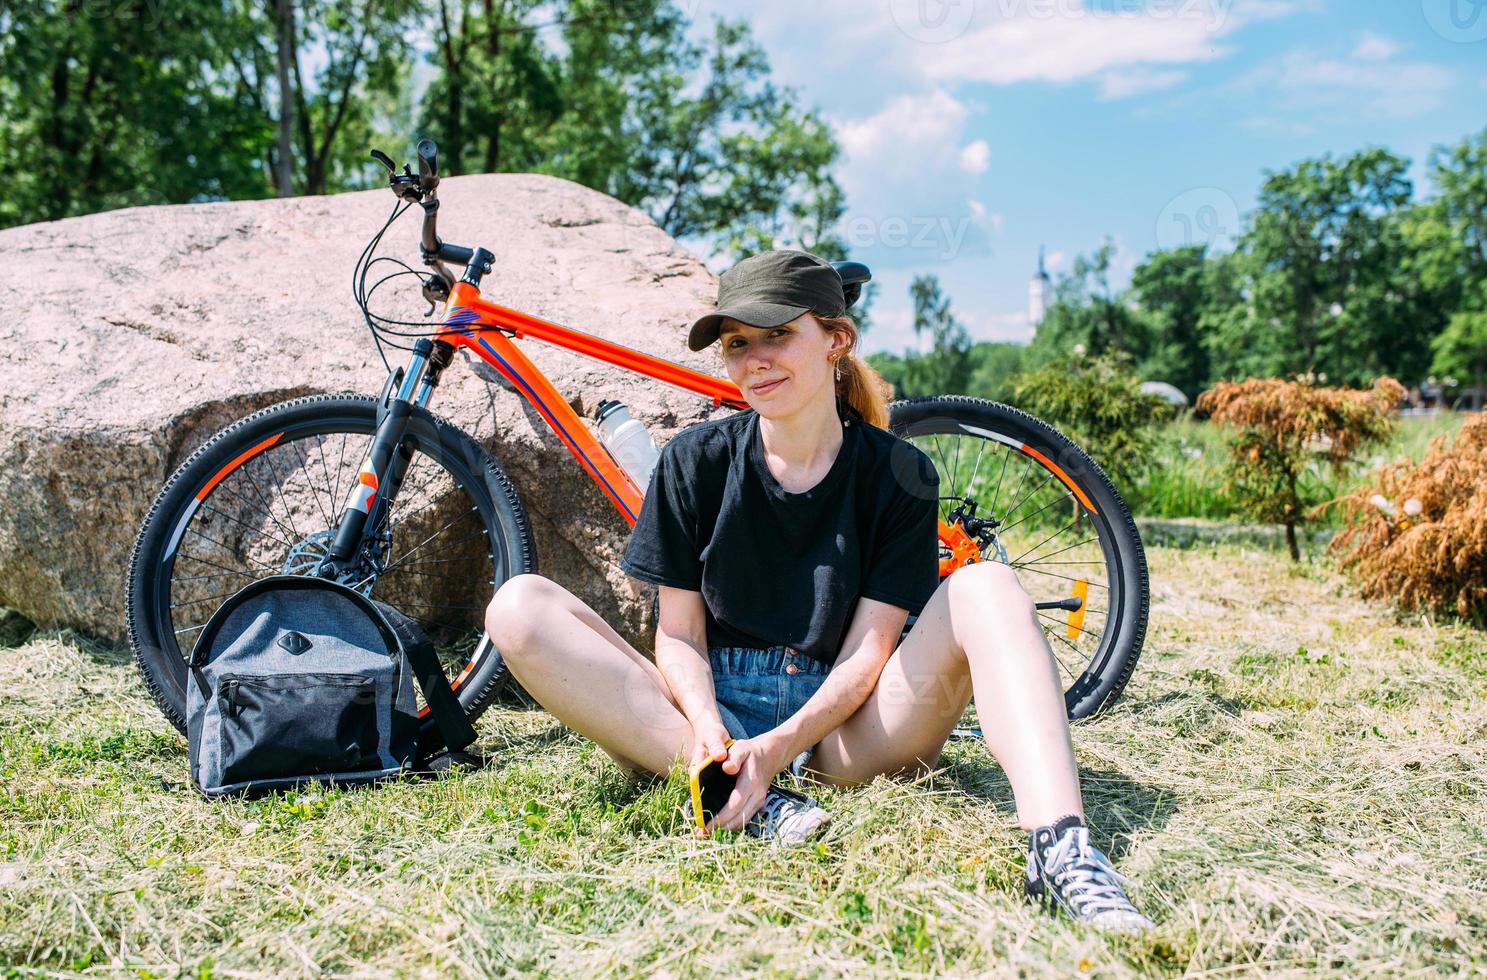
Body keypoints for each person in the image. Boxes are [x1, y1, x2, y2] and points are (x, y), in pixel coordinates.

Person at [483, 249, 1151, 932]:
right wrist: (712, 731)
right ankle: (734, 790)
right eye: (737, 343)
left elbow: (869, 653)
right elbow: (678, 635)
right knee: (519, 605)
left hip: (848, 731)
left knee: (988, 586)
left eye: (776, 334)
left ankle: (1062, 852)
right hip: (704, 721)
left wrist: (778, 747)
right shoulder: (694, 461)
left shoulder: (898, 473)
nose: (754, 359)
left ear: (835, 340)